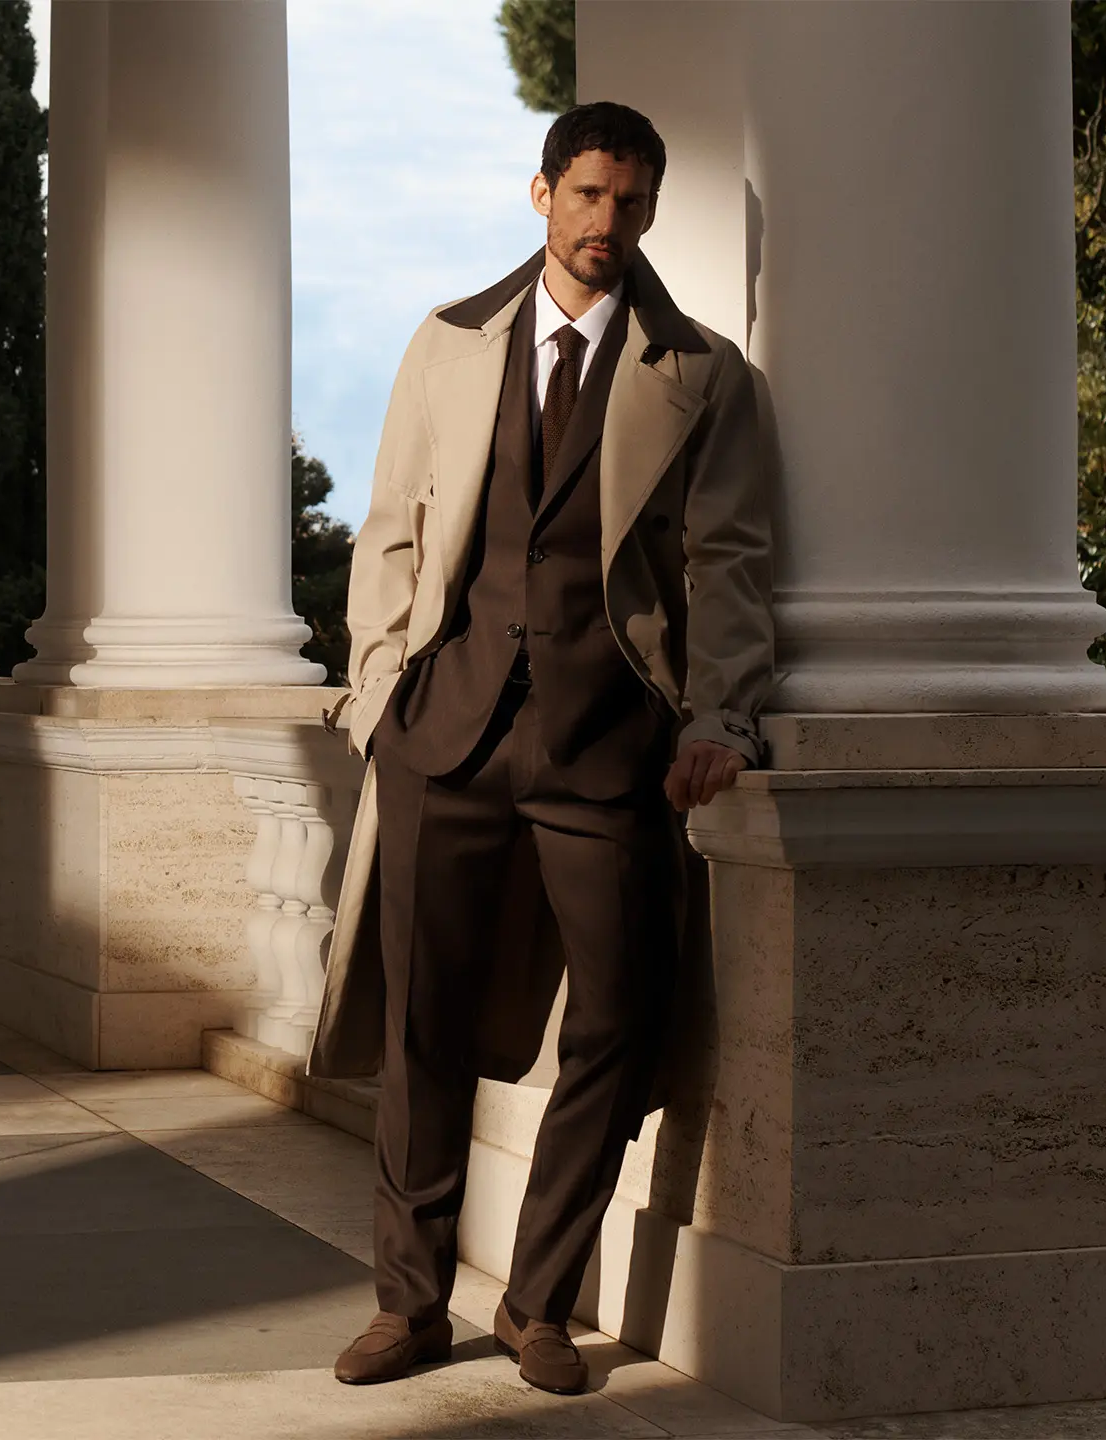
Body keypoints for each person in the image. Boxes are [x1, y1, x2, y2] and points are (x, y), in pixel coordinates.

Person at [315, 101, 776, 1394]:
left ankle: (536, 1302)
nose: (606, 225)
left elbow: (729, 565)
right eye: (586, 197)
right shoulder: (453, 342)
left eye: (630, 203)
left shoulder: (698, 373)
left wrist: (721, 716)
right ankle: (407, 1306)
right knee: (423, 1029)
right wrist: (373, 694)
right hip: (444, 735)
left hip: (605, 745)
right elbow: (391, 530)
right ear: (541, 195)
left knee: (621, 1024)